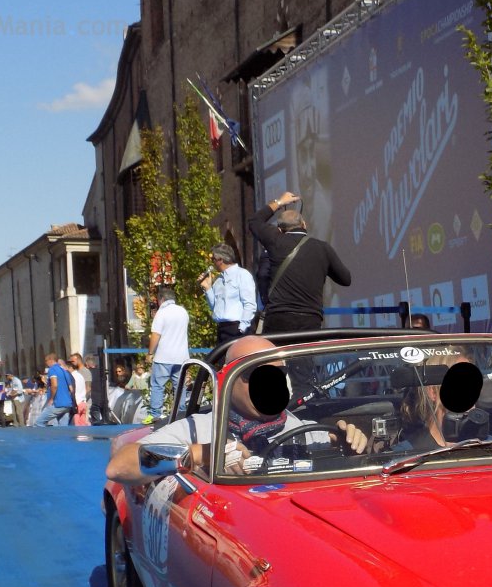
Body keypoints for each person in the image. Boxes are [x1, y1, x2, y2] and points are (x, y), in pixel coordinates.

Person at [106, 336, 368, 484]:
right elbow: (118, 467)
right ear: (227, 381)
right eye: (256, 375)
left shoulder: (300, 429)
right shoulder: (200, 427)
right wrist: (204, 453)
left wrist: (345, 442)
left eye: (278, 374)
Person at [247, 190, 352, 335]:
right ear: (304, 224)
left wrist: (279, 202)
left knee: (277, 357)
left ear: (279, 229)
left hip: (278, 318)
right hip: (310, 320)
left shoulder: (275, 240)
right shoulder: (322, 248)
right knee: (305, 357)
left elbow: (254, 221)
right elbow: (346, 279)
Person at [145, 285, 190, 424]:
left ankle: (155, 413)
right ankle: (181, 413)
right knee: (180, 385)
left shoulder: (162, 313)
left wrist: (150, 353)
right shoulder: (183, 311)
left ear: (162, 299)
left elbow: (156, 335)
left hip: (164, 356)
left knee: (158, 385)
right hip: (182, 356)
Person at [199, 243, 258, 347]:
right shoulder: (218, 280)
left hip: (237, 328)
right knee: (222, 362)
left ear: (220, 259)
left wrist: (242, 328)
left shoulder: (242, 275)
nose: (212, 262)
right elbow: (215, 307)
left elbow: (249, 303)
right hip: (222, 329)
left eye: (213, 259)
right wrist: (207, 288)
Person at [34, 352, 77, 427]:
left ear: (51, 360)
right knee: (63, 428)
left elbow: (54, 385)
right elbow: (71, 389)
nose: (46, 363)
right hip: (67, 404)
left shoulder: (52, 370)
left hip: (58, 403)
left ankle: (44, 438)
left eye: (46, 361)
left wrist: (51, 399)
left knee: (39, 423)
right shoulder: (64, 370)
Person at [68, 353, 92, 426]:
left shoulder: (85, 371)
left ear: (78, 360)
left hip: (83, 401)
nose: (71, 363)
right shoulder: (77, 371)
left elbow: (88, 387)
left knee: (82, 423)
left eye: (72, 361)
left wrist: (81, 400)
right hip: (80, 401)